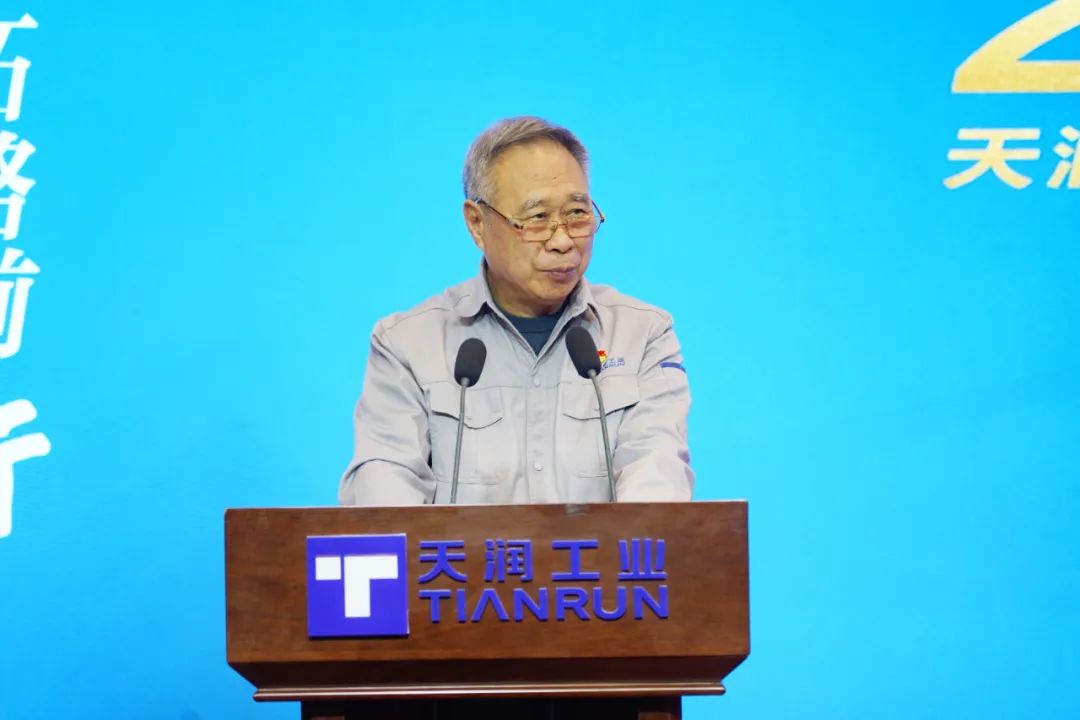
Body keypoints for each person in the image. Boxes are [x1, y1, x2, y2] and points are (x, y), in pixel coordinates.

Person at [339, 116, 693, 505]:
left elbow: (658, 478)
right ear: (477, 223)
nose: (562, 240)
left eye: (577, 213)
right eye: (537, 218)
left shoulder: (643, 335)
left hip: (599, 551)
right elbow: (384, 495)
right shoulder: (406, 345)